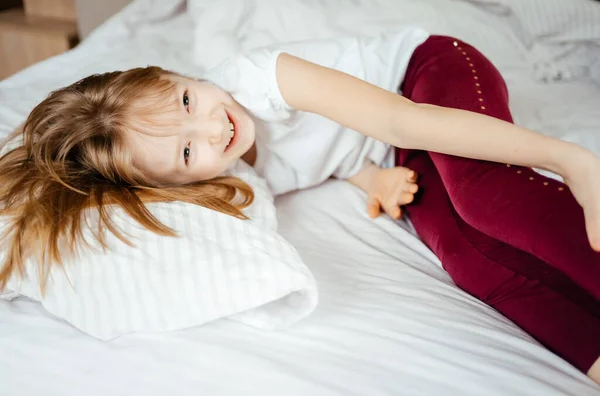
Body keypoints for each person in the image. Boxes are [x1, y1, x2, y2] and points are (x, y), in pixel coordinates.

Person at [0, 27, 599, 383]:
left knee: (483, 200)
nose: (212, 129)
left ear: (171, 72)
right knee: (473, 260)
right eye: (186, 152)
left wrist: (569, 159)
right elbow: (331, 150)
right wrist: (370, 180)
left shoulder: (264, 79)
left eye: (185, 100)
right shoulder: (234, 175)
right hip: (399, 153)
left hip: (426, 77)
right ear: (173, 186)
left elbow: (398, 117)